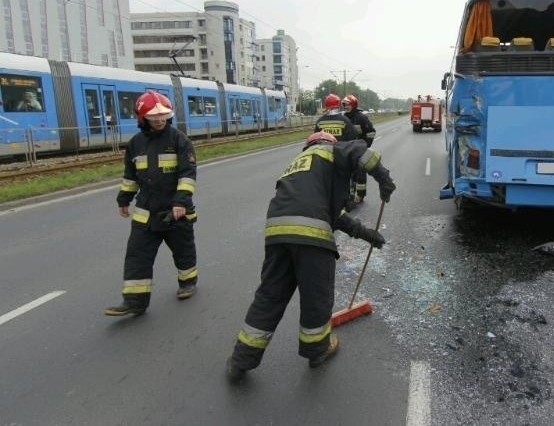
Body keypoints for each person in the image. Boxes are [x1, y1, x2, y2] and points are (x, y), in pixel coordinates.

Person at [225, 131, 396, 383]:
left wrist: (366, 234)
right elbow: (361, 152)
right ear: (326, 143)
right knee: (316, 296)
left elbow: (333, 215)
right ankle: (318, 351)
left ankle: (241, 359)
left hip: (277, 234)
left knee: (270, 296)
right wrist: (384, 178)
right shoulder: (329, 150)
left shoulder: (298, 166)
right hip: (311, 235)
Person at [105, 91, 199, 316]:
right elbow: (130, 176)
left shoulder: (179, 140)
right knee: (137, 255)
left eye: (164, 115)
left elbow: (188, 174)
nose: (159, 120)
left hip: (175, 211)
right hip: (145, 213)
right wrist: (123, 200)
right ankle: (135, 302)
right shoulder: (135, 144)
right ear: (142, 118)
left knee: (183, 250)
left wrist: (181, 202)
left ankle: (187, 282)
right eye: (153, 116)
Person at [342, 94, 376, 202]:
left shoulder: (361, 117)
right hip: (347, 150)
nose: (345, 107)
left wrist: (365, 146)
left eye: (347, 105)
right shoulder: (343, 117)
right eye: (344, 105)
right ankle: (349, 193)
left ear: (353, 105)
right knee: (347, 173)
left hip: (359, 150)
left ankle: (360, 195)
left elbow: (371, 132)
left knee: (360, 172)